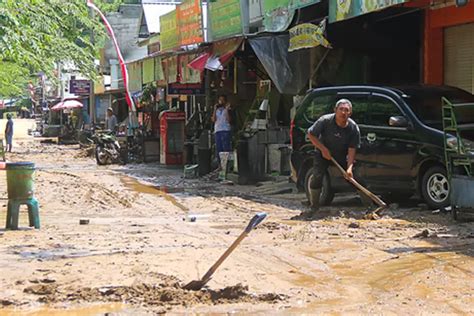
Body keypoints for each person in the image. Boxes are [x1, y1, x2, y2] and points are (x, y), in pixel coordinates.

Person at [302, 99, 361, 218]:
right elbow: (311, 135)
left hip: (341, 155)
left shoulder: (353, 128)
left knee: (355, 177)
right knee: (317, 176)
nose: (343, 113)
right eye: (341, 109)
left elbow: (352, 149)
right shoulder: (325, 121)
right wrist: (323, 149)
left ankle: (369, 206)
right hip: (322, 153)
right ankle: (314, 206)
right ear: (335, 110)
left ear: (350, 113)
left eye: (346, 110)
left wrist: (349, 168)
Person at [212, 95, 232, 163]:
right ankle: (220, 164)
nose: (221, 101)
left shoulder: (227, 109)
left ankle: (226, 163)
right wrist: (215, 109)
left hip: (225, 130)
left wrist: (226, 109)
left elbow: (229, 120)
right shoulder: (217, 110)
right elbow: (213, 119)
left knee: (225, 148)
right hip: (218, 130)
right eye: (220, 100)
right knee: (218, 148)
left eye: (222, 100)